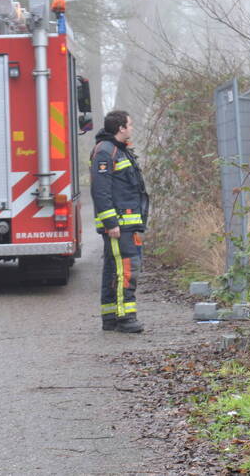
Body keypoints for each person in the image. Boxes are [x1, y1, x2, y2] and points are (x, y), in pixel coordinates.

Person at [91, 110, 149, 333]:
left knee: (113, 270)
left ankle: (111, 317)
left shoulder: (118, 151)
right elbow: (101, 190)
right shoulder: (106, 152)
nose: (132, 128)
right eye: (130, 124)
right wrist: (111, 223)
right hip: (119, 225)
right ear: (121, 128)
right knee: (126, 270)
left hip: (127, 223)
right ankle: (126, 318)